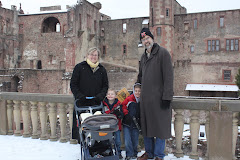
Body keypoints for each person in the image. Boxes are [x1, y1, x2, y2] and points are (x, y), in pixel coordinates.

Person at [137, 28, 174, 160]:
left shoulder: (163, 53)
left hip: (160, 99)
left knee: (159, 128)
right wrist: (136, 87)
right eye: (143, 40)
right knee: (146, 127)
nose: (146, 41)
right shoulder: (143, 56)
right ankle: (149, 152)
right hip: (146, 100)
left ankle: (158, 155)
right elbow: (140, 77)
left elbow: (169, 77)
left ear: (152, 39)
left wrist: (167, 97)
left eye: (147, 38)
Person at [70, 47, 109, 143]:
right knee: (83, 126)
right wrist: (79, 96)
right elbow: (73, 84)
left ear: (98, 57)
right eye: (91, 54)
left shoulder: (101, 69)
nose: (93, 57)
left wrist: (100, 97)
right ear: (87, 55)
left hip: (96, 103)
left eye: (95, 55)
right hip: (82, 102)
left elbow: (105, 86)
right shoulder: (79, 67)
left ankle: (96, 145)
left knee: (96, 126)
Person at [122, 83, 141, 160]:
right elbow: (123, 106)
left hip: (136, 124)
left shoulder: (142, 100)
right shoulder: (129, 98)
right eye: (136, 91)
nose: (137, 93)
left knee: (135, 140)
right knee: (127, 140)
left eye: (139, 91)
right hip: (127, 123)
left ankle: (134, 153)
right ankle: (129, 154)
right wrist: (126, 114)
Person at [103, 88, 123, 159]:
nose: (110, 95)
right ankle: (108, 153)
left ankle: (118, 152)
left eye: (112, 94)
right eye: (108, 94)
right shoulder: (104, 104)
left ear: (115, 96)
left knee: (117, 141)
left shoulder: (118, 104)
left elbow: (121, 115)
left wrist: (119, 114)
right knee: (107, 140)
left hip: (116, 126)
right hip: (107, 127)